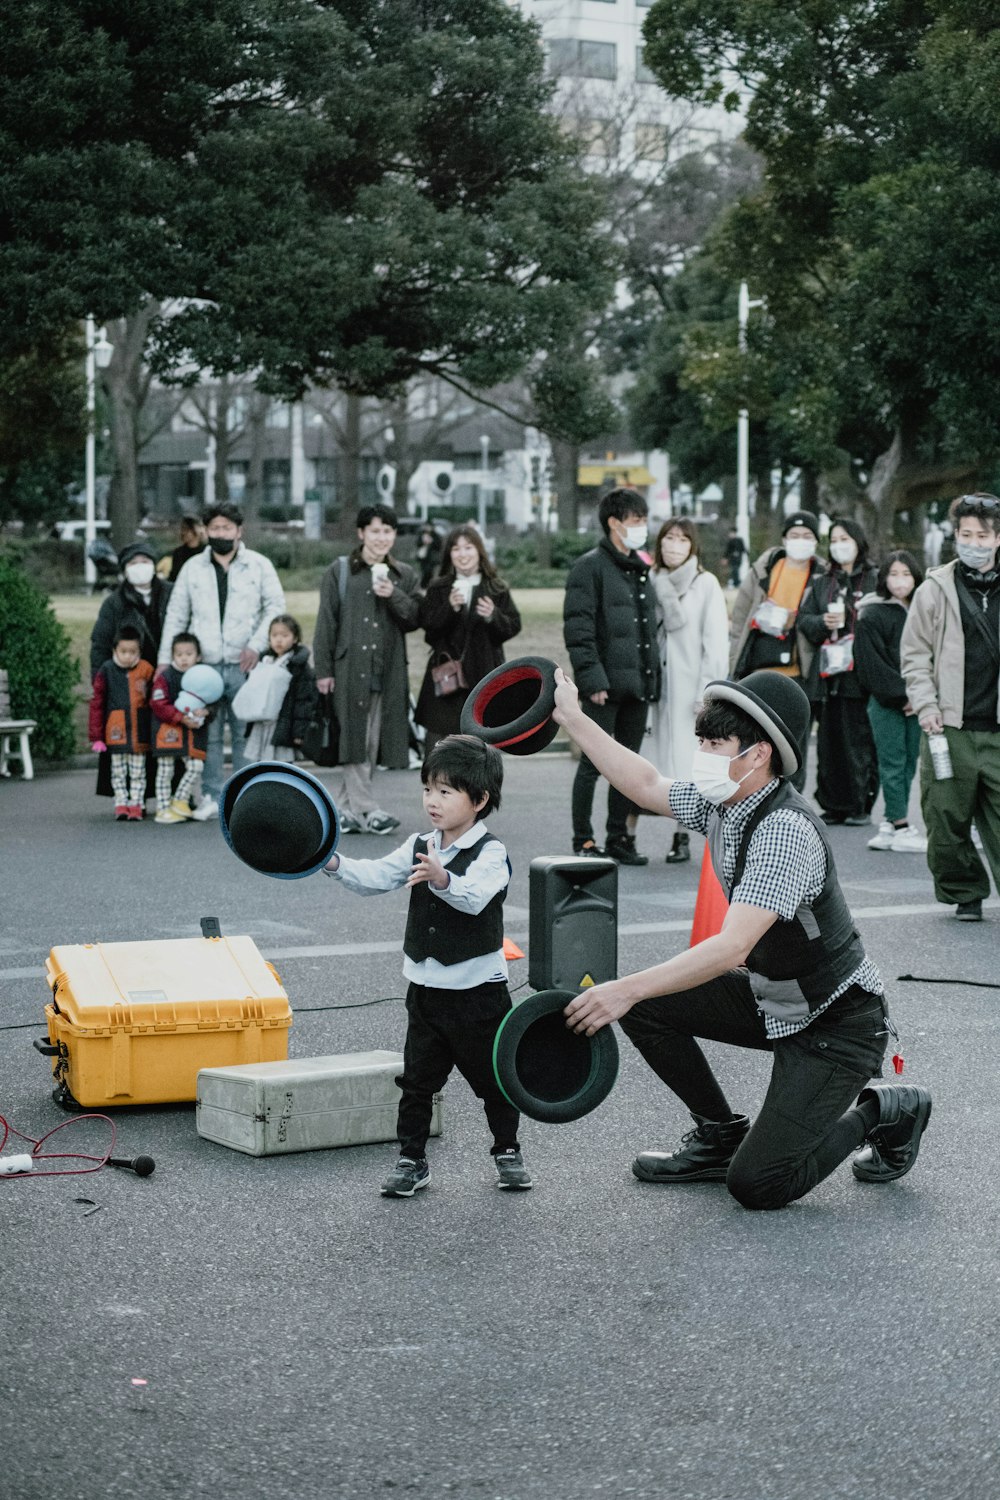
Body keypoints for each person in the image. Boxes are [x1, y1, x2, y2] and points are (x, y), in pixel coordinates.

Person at [551, 664, 932, 1209]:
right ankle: (718, 1134)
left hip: (837, 1024)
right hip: (775, 997)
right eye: (701, 740)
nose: (702, 753)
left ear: (758, 755)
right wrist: (573, 717)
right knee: (645, 1002)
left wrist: (624, 989)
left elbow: (731, 946)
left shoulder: (784, 829)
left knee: (759, 1185)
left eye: (716, 743)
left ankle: (887, 1109)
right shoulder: (725, 801)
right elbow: (645, 784)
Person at [323, 734, 530, 1197]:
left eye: (445, 791)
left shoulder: (491, 852)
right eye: (428, 789)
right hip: (426, 990)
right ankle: (411, 1160)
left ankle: (507, 1151)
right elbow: (378, 876)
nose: (432, 801)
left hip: (479, 990)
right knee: (416, 1083)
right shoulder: (420, 842)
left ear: (479, 800)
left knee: (495, 1081)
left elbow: (476, 898)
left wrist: (442, 879)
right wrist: (333, 862)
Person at [901, 492, 1000, 922]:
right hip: (949, 727)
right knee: (945, 818)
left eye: (982, 535)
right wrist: (925, 705)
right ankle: (965, 893)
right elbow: (915, 653)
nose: (973, 543)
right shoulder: (935, 589)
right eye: (965, 534)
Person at [158, 502, 286, 823]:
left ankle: (245, 797)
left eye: (227, 528)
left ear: (239, 531)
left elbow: (275, 607)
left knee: (245, 733)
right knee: (208, 734)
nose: (220, 534)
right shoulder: (192, 568)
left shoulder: (259, 565)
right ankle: (213, 796)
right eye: (214, 529)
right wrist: (165, 661)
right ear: (206, 531)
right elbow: (176, 615)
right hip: (204, 669)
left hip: (246, 664)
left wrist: (257, 646)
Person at [563, 487, 661, 865]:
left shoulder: (640, 568)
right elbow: (579, 629)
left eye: (643, 520)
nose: (642, 528)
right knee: (592, 764)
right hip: (603, 687)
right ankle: (584, 839)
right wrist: (592, 680)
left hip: (637, 684)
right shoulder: (589, 567)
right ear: (614, 524)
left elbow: (645, 630)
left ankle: (619, 836)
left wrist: (651, 680)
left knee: (627, 764)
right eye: (636, 521)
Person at [312, 504, 421, 836]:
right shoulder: (340, 570)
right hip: (347, 670)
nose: (381, 538)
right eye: (374, 531)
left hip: (387, 670)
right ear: (361, 534)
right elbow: (325, 623)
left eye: (387, 531)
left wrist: (394, 595)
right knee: (354, 738)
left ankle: (343, 810)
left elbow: (416, 618)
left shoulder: (404, 574)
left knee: (372, 741)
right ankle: (369, 809)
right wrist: (323, 671)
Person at [627, 517, 728, 863]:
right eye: (668, 538)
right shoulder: (648, 579)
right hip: (654, 684)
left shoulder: (705, 583)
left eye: (682, 540)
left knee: (686, 761)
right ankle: (627, 831)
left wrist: (708, 691)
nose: (673, 545)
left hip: (688, 687)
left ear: (693, 546)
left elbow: (714, 642)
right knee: (643, 759)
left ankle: (682, 834)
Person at [729, 510, 825, 791]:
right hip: (760, 669)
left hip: (800, 670)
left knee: (794, 743)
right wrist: (735, 661)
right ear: (784, 539)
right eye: (794, 536)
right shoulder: (764, 569)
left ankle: (792, 799)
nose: (800, 541)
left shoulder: (821, 575)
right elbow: (740, 618)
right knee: (755, 741)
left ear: (816, 541)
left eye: (807, 536)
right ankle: (752, 794)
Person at [797, 517, 879, 826]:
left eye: (845, 539)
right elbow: (804, 620)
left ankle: (860, 803)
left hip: (861, 672)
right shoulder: (822, 582)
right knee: (829, 741)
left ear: (858, 541)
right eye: (834, 540)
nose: (839, 545)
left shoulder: (874, 578)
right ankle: (832, 803)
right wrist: (822, 623)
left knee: (858, 739)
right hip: (828, 673)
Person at [414, 525, 522, 757]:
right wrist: (449, 608)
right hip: (446, 679)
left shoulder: (495, 587)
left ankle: (477, 794)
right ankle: (438, 792)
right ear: (449, 554)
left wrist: (493, 616)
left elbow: (512, 626)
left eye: (468, 547)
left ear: (479, 551)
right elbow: (429, 632)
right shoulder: (439, 587)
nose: (462, 554)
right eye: (456, 549)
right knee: (438, 751)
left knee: (479, 751)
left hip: (483, 675)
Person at [855, 552, 927, 853]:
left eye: (906, 574)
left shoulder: (923, 610)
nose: (900, 581)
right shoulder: (871, 614)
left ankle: (889, 821)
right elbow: (871, 665)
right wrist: (903, 696)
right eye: (893, 574)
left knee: (910, 761)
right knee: (892, 761)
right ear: (883, 577)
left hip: (919, 699)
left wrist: (920, 695)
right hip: (888, 702)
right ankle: (899, 824)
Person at [89, 625, 155, 820]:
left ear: (139, 651)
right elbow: (97, 703)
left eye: (132, 652)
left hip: (139, 733)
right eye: (123, 651)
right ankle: (121, 803)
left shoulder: (146, 670)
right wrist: (97, 736)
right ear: (115, 650)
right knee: (117, 772)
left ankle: (136, 803)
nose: (128, 656)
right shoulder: (107, 670)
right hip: (115, 732)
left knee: (138, 772)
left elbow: (154, 700)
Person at [237, 614, 319, 764]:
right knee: (260, 765)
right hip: (261, 723)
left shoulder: (298, 666)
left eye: (284, 635)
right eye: (274, 635)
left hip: (283, 725)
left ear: (295, 638)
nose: (279, 640)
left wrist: (298, 732)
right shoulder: (264, 662)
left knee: (282, 767)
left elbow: (304, 701)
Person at [149, 631, 209, 825]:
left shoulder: (204, 676)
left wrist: (207, 711)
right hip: (167, 732)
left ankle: (180, 801)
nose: (184, 659)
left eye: (189, 654)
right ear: (173, 656)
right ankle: (163, 808)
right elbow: (158, 703)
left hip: (193, 735)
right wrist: (180, 718)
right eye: (179, 654)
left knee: (195, 766)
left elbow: (213, 699)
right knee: (165, 771)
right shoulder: (165, 677)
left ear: (198, 656)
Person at [89, 542, 172, 679]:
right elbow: (101, 645)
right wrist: (100, 684)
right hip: (132, 676)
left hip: (171, 672)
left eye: (145, 562)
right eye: (133, 563)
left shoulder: (173, 593)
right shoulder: (114, 603)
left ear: (153, 566)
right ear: (125, 570)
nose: (140, 567)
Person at [165, 514, 207, 581]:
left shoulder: (207, 551)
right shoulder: (178, 553)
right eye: (182, 529)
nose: (183, 532)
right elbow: (174, 576)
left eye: (187, 529)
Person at [415, 524, 443, 589]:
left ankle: (427, 585)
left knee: (430, 571)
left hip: (432, 558)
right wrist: (423, 541)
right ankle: (424, 585)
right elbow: (418, 543)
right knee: (424, 571)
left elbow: (439, 545)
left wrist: (431, 541)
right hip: (423, 557)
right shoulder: (422, 534)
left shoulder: (435, 535)